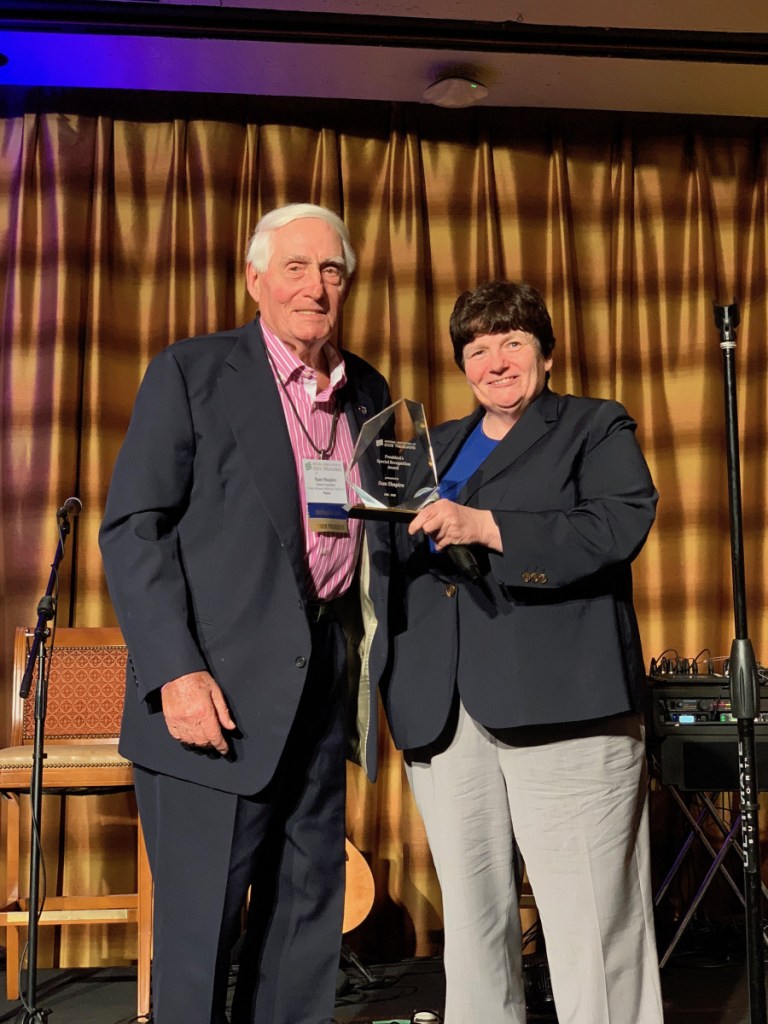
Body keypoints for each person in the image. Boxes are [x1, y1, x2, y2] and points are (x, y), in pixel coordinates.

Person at [99, 203, 391, 1024]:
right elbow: (132, 529)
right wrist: (177, 673)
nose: (316, 286)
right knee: (200, 941)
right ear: (255, 279)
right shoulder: (193, 372)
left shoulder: (368, 390)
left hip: (323, 691)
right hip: (211, 699)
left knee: (305, 928)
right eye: (296, 267)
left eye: (332, 270)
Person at [381, 280, 664, 1024]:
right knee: (472, 936)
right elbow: (390, 549)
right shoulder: (428, 446)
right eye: (478, 348)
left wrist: (488, 526)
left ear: (545, 352)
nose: (495, 361)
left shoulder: (594, 427)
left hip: (565, 704)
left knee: (592, 933)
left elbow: (612, 528)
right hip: (444, 714)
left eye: (512, 343)